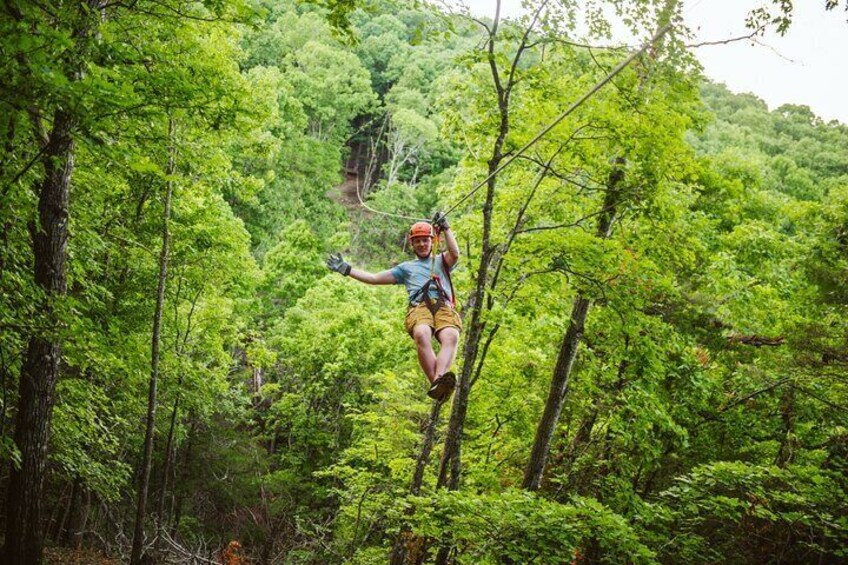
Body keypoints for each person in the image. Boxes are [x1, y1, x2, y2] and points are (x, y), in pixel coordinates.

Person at [326, 212, 462, 401]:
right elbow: (374, 278)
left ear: (432, 241)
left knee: (451, 335)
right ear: (412, 244)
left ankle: (438, 382)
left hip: (443, 306)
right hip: (419, 306)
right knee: (422, 332)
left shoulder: (441, 261)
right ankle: (438, 381)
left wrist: (446, 228)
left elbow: (455, 253)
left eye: (425, 240)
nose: (422, 244)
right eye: (418, 241)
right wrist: (347, 270)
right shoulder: (405, 268)